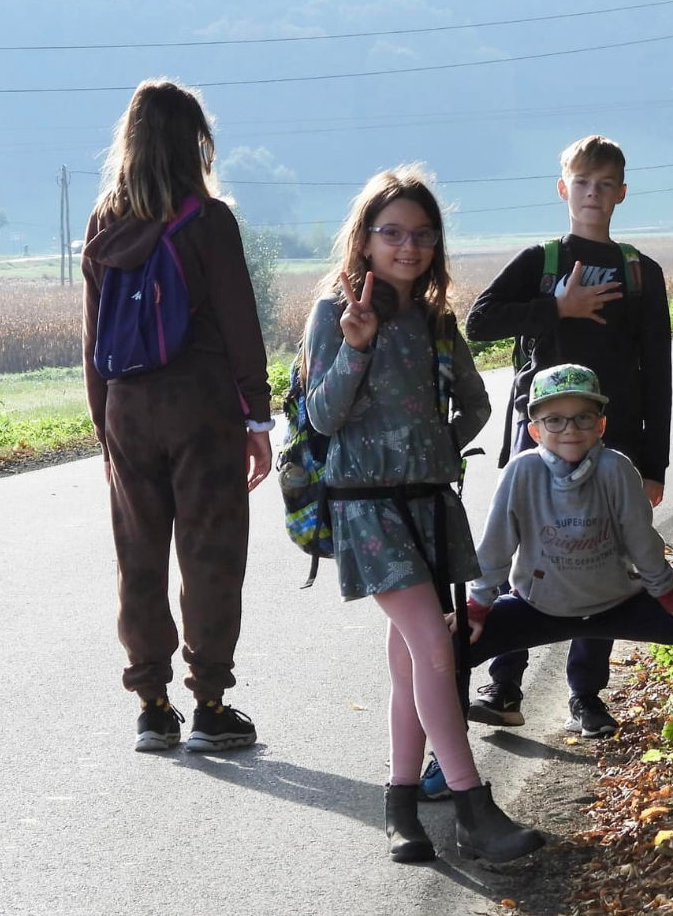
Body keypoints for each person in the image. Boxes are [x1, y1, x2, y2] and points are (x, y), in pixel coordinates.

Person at [302, 165, 546, 865]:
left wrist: (435, 447)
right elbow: (322, 415)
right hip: (367, 510)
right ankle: (472, 805)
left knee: (414, 658)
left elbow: (474, 402)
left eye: (422, 234)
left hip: (430, 508)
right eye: (392, 234)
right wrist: (354, 347)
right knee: (436, 646)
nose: (408, 247)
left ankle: (400, 805)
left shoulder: (437, 322)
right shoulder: (334, 316)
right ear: (366, 240)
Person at [81, 79, 273, 754]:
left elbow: (92, 336)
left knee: (138, 556)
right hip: (203, 407)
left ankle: (153, 706)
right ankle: (212, 704)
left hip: (129, 407)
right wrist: (258, 417)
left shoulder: (105, 222)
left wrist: (105, 423)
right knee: (210, 554)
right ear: (196, 143)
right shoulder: (207, 221)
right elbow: (240, 323)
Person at [461, 134, 672, 741]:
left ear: (622, 194)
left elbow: (657, 372)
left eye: (606, 185)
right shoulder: (541, 261)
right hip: (537, 444)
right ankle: (503, 687)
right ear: (564, 188)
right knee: (524, 557)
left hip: (618, 445)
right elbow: (479, 323)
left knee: (605, 561)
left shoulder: (641, 273)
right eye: (583, 183)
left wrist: (651, 463)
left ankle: (586, 697)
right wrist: (558, 308)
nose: (593, 194)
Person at [460, 363, 673, 762]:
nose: (570, 429)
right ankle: (448, 762)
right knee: (447, 648)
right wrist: (476, 607)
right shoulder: (522, 472)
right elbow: (494, 550)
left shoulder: (617, 469)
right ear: (535, 430)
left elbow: (642, 542)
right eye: (554, 420)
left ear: (601, 425)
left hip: (616, 604)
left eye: (583, 418)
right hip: (539, 607)